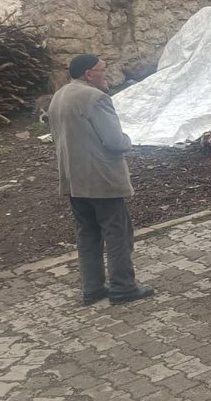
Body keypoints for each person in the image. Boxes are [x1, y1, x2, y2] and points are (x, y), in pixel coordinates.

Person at [48, 55, 154, 306]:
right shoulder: (96, 98)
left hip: (74, 178)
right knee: (117, 233)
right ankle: (123, 287)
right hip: (101, 179)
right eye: (102, 70)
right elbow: (115, 141)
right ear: (88, 74)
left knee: (87, 234)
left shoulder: (59, 96)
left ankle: (92, 288)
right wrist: (129, 139)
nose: (106, 74)